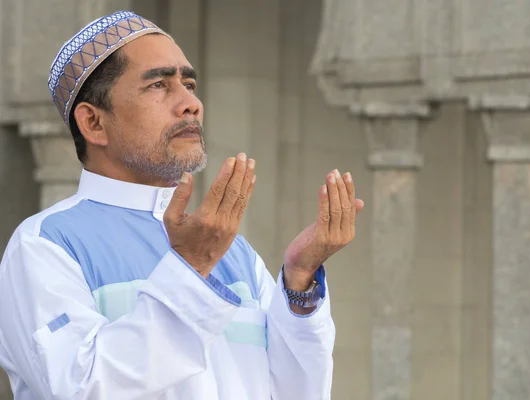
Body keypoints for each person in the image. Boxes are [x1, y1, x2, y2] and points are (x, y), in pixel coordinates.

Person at [0, 10, 364, 400]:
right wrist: (190, 271)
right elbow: (81, 389)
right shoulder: (45, 245)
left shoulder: (234, 253)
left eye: (189, 83)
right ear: (93, 123)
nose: (190, 103)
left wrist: (299, 283)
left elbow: (295, 393)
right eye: (158, 85)